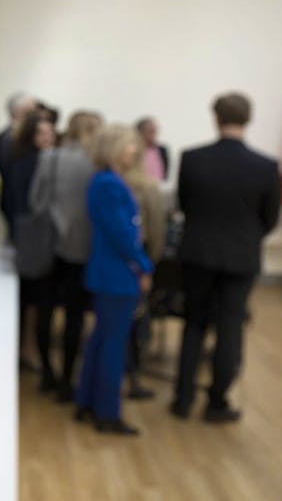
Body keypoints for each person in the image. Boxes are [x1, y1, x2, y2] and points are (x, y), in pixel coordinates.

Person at [171, 93, 282, 423]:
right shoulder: (266, 166)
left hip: (198, 253)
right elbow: (270, 218)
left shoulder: (192, 159)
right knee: (230, 328)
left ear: (216, 118)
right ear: (248, 119)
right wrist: (246, 238)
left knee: (194, 323)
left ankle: (182, 398)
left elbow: (184, 204)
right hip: (241, 256)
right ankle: (217, 401)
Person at [75, 125, 154, 435]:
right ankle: (107, 412)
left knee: (101, 339)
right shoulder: (109, 183)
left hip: (109, 272)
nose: (134, 151)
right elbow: (122, 234)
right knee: (113, 345)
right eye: (129, 145)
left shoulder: (104, 181)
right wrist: (143, 266)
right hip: (117, 274)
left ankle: (87, 401)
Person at [28, 110, 101, 400]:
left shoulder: (50, 158)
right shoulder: (97, 164)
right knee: (74, 316)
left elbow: (35, 201)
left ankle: (47, 372)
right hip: (82, 247)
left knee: (45, 311)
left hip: (50, 244)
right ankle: (67, 379)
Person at [8, 110, 55, 371]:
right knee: (34, 298)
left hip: (27, 235)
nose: (48, 137)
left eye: (50, 132)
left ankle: (26, 349)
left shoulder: (25, 159)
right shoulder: (33, 162)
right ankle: (28, 351)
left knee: (29, 298)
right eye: (42, 133)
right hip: (34, 237)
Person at [120, 143, 168, 400]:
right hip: (138, 259)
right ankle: (131, 376)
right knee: (135, 322)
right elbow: (157, 230)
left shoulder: (112, 182)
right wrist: (150, 263)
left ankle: (124, 375)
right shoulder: (145, 187)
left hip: (125, 261)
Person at [0, 92, 36, 241]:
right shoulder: (9, 138)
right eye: (31, 111)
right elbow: (9, 172)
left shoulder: (15, 137)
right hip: (16, 205)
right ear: (19, 112)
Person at [135, 117, 169, 182]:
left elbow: (165, 173)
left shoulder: (162, 150)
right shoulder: (134, 151)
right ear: (140, 133)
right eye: (150, 132)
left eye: (154, 131)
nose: (153, 135)